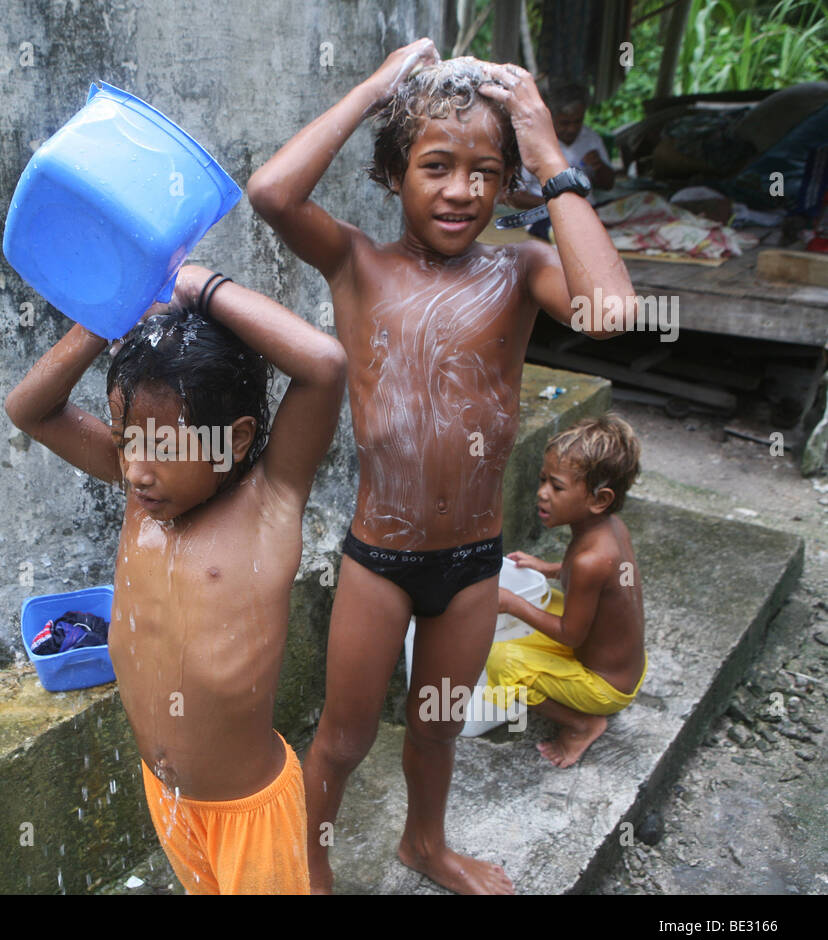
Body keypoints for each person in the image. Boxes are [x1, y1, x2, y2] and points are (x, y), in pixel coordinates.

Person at [247, 40, 638, 894]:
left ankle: (424, 844)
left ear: (508, 180)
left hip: (469, 563)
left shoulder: (521, 268)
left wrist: (548, 151)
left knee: (436, 727)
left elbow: (610, 310)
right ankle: (307, 867)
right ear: (394, 172)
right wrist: (378, 87)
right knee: (344, 739)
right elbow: (272, 192)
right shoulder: (358, 263)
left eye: (486, 171)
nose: (462, 190)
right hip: (379, 560)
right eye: (435, 165)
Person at [5, 264, 346, 894]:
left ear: (234, 441)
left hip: (247, 811)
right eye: (123, 439)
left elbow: (324, 364)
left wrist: (201, 286)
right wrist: (109, 316)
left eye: (162, 445)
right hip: (164, 791)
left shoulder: (269, 502)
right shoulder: (145, 491)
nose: (135, 469)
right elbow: (28, 408)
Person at [489, 414, 645, 768]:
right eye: (543, 480)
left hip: (605, 688)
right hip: (622, 662)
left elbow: (572, 635)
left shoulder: (592, 559)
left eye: (557, 487)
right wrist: (548, 568)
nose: (542, 493)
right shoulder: (611, 530)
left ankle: (582, 724)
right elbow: (598, 580)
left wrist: (512, 604)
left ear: (599, 499)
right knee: (547, 595)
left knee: (501, 663)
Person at [508, 79, 616, 215]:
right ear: (550, 117)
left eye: (578, 121)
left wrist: (599, 166)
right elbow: (514, 196)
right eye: (565, 123)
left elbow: (608, 185)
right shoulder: (534, 142)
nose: (572, 128)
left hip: (588, 210)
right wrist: (556, 205)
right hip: (549, 215)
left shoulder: (591, 138)